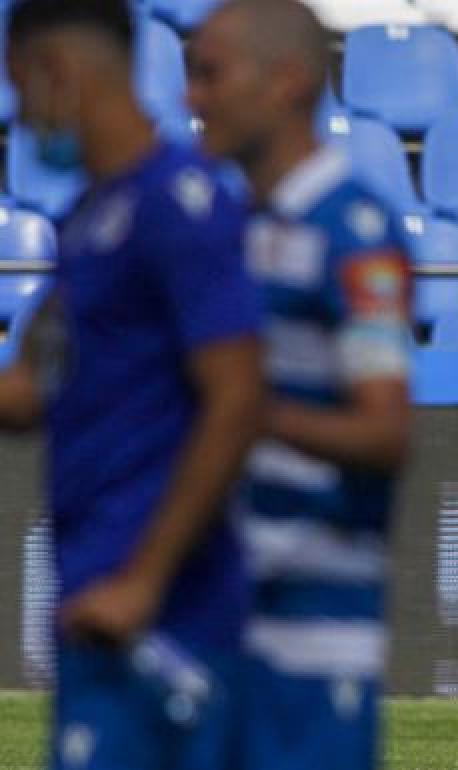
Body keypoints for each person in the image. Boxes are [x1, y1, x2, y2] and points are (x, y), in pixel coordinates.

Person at [1, 0, 265, 768]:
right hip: (94, 593)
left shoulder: (179, 206)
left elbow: (237, 395)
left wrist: (144, 580)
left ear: (55, 74)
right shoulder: (87, 221)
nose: (20, 118)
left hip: (161, 608)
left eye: (19, 92)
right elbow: (25, 390)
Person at [187, 1, 411, 767]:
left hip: (315, 629)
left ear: (284, 81)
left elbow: (386, 431)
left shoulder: (355, 233)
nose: (192, 98)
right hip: (222, 611)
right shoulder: (226, 224)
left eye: (210, 74)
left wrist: (248, 414)